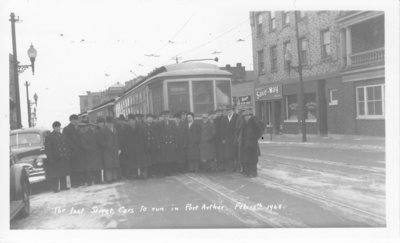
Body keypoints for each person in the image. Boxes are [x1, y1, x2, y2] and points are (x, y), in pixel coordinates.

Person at [44, 121, 70, 192]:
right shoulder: (49, 137)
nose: (58, 128)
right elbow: (48, 149)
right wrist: (50, 158)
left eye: (59, 127)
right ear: (54, 128)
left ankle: (63, 186)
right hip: (55, 158)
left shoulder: (62, 135)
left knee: (63, 172)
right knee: (55, 174)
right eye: (56, 127)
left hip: (62, 157)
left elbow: (66, 146)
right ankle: (55, 188)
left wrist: (67, 155)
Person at [237, 109, 264, 177]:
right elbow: (239, 132)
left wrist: (254, 138)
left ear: (250, 116)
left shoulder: (254, 122)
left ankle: (254, 172)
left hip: (252, 144)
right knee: (246, 159)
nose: (246, 117)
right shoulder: (243, 123)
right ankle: (247, 172)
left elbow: (260, 131)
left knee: (253, 159)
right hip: (244, 144)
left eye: (247, 116)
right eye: (245, 116)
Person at [63, 114, 86, 187]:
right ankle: (74, 183)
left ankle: (79, 181)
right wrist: (71, 148)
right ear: (71, 120)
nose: (76, 121)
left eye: (77, 120)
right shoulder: (66, 129)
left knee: (79, 167)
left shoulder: (78, 128)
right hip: (72, 151)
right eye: (75, 120)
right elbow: (66, 141)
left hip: (79, 151)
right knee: (73, 168)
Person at [97, 116, 121, 183]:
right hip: (107, 151)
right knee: (108, 166)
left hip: (114, 150)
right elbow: (100, 141)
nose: (110, 124)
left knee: (115, 165)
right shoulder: (103, 130)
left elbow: (117, 140)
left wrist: (118, 148)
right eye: (109, 123)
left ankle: (114, 178)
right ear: (106, 123)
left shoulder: (115, 130)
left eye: (111, 123)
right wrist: (107, 145)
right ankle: (108, 179)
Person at [80, 121, 103, 185]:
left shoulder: (97, 133)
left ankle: (98, 180)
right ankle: (90, 181)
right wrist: (89, 149)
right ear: (88, 127)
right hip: (89, 154)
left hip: (97, 153)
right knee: (89, 169)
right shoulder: (85, 134)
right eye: (90, 126)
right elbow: (83, 144)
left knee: (97, 168)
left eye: (93, 126)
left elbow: (100, 142)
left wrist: (98, 149)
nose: (91, 128)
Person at [157, 110, 178, 176]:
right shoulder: (159, 124)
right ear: (163, 117)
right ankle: (163, 172)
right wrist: (158, 144)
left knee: (170, 158)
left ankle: (169, 171)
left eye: (167, 116)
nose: (166, 118)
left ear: (169, 116)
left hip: (171, 143)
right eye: (164, 116)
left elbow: (176, 134)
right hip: (163, 143)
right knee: (163, 159)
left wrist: (176, 143)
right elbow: (157, 135)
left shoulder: (173, 123)